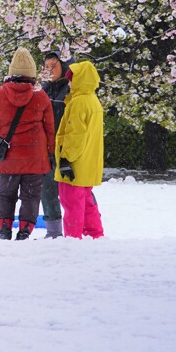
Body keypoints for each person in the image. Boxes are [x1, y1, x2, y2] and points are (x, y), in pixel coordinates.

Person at [0, 48, 56, 240]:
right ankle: (24, 231)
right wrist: (52, 153)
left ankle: (4, 229)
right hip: (35, 160)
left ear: (11, 72)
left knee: (5, 194)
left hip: (8, 158)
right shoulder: (41, 96)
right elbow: (50, 129)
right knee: (30, 196)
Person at [55, 61, 105, 239]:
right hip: (88, 165)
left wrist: (65, 159)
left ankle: (73, 239)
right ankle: (95, 235)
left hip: (76, 165)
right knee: (87, 203)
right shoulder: (93, 101)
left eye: (71, 79)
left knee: (72, 204)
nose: (69, 83)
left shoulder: (78, 103)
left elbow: (75, 135)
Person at [39, 51, 72, 238]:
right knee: (47, 189)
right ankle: (53, 232)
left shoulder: (70, 89)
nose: (50, 70)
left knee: (74, 190)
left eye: (54, 65)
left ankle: (85, 226)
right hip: (46, 148)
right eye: (47, 66)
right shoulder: (42, 90)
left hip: (67, 148)